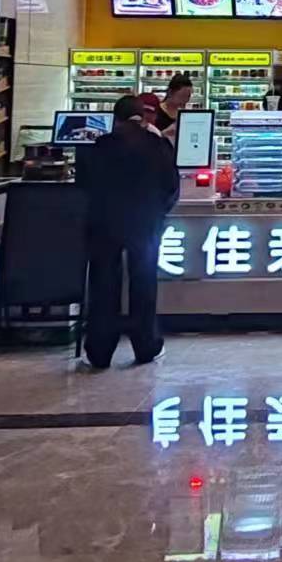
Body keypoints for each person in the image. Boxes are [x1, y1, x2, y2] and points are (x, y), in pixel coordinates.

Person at [81, 93, 180, 368]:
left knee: (103, 284)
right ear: (143, 117)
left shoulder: (100, 146)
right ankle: (146, 346)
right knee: (144, 283)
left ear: (115, 119)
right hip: (145, 223)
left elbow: (84, 185)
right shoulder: (157, 145)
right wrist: (158, 214)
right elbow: (171, 186)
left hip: (105, 223)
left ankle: (99, 351)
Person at [153, 73, 195, 140]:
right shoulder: (156, 112)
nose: (185, 100)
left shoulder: (186, 114)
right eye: (182, 96)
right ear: (170, 92)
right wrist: (163, 134)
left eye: (188, 96)